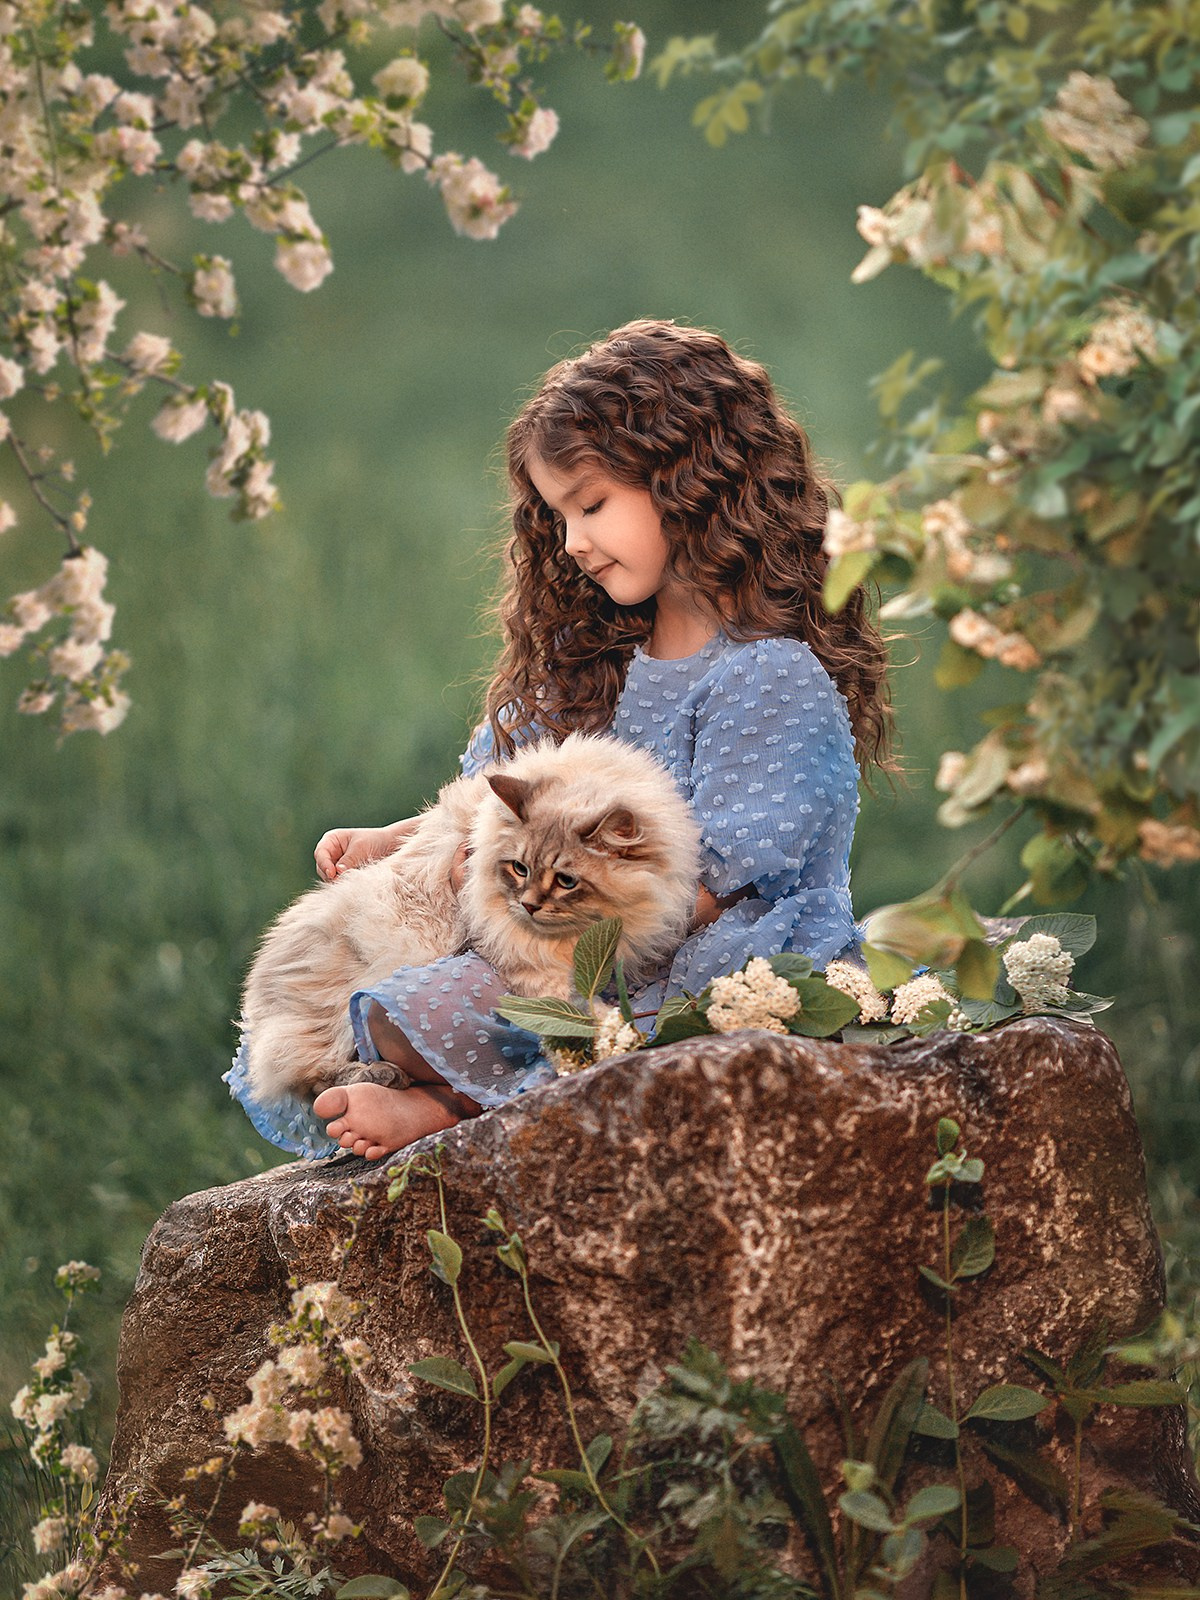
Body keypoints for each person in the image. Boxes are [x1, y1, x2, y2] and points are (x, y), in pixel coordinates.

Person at [224, 319, 893, 1162]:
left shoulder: (768, 679)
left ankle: (451, 1104)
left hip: (683, 955)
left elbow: (711, 888)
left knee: (428, 1014)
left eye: (593, 505)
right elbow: (490, 808)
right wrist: (394, 845)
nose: (574, 544)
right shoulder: (592, 666)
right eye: (559, 516)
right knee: (371, 1005)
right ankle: (456, 1074)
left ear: (692, 479)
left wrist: (542, 948)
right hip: (551, 935)